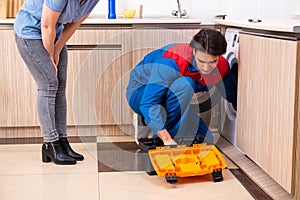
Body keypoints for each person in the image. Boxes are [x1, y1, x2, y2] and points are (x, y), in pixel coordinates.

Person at [14, 0, 99, 165]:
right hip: (31, 31)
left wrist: (58, 49)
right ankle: (51, 144)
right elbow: (46, 25)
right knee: (49, 84)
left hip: (54, 32)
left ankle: (62, 142)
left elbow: (75, 23)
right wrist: (50, 56)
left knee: (60, 86)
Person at [126, 29, 237, 146]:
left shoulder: (222, 66)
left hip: (172, 99)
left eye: (212, 62)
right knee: (186, 83)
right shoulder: (171, 61)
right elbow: (148, 103)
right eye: (201, 61)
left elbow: (231, 92)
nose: (206, 68)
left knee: (205, 140)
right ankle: (158, 138)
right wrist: (166, 139)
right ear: (194, 51)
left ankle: (151, 121)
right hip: (141, 95)